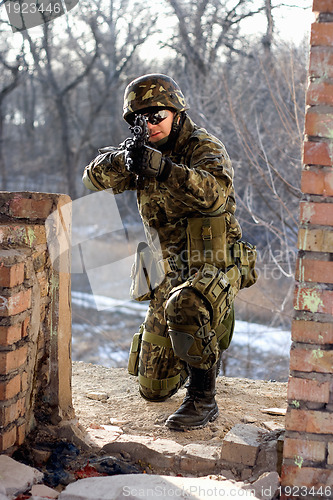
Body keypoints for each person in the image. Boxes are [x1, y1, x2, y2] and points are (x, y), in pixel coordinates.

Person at [82, 73, 257, 431]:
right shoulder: (142, 151)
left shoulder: (203, 147)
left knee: (185, 305)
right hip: (168, 269)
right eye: (140, 120)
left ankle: (202, 397)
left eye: (157, 116)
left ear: (176, 112)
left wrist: (164, 170)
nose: (150, 125)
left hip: (215, 264)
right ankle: (190, 343)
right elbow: (91, 179)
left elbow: (214, 195)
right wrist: (123, 161)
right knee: (154, 389)